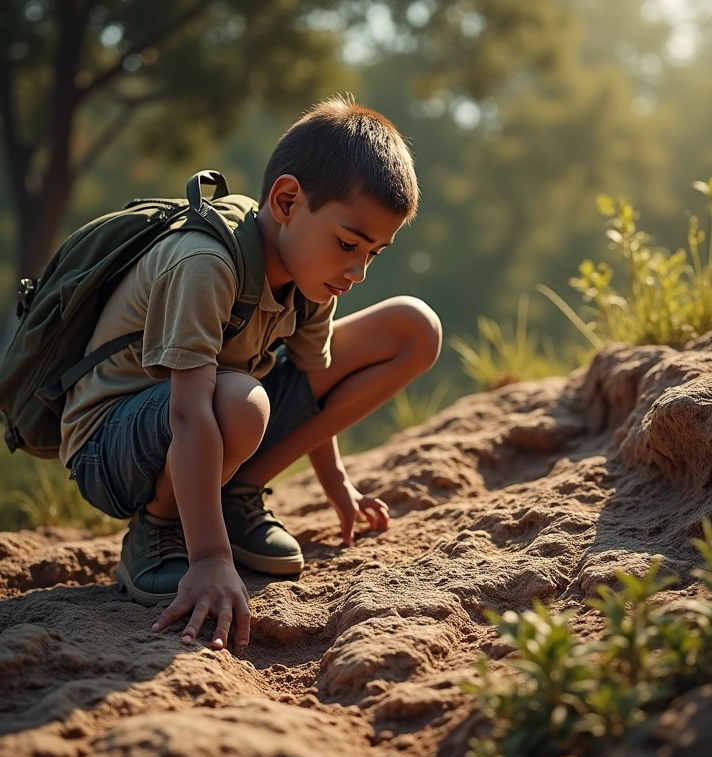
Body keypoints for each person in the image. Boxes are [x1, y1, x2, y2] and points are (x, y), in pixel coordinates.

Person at [61, 95, 442, 653]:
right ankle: (159, 531)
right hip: (114, 448)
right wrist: (211, 560)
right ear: (287, 200)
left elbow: (316, 378)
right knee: (239, 401)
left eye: (374, 254)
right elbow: (190, 411)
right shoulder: (205, 264)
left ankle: (235, 491)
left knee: (413, 327)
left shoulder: (314, 276)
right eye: (348, 245)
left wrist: (336, 484)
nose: (358, 271)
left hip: (215, 419)